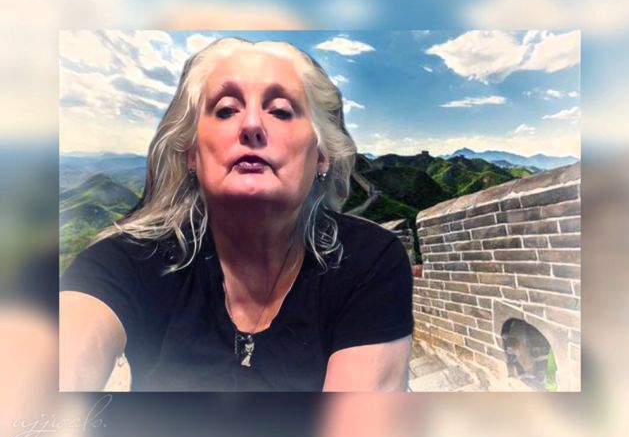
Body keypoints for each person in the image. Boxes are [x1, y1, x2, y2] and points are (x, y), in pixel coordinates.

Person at [60, 37, 413, 392]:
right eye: (226, 110)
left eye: (280, 111)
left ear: (322, 155)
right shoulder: (130, 262)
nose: (251, 125)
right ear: (192, 153)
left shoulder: (368, 262)